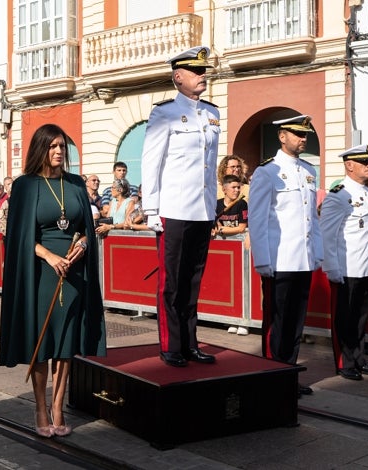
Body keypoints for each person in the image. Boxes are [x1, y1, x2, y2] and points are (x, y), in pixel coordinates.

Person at [0, 123, 105, 438]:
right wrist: (48, 255)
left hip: (74, 271)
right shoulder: (25, 185)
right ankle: (41, 407)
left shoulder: (74, 183)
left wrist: (84, 245)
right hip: (42, 272)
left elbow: (86, 227)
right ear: (41, 149)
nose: (59, 152)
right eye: (53, 146)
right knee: (43, 342)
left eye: (62, 146)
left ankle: (58, 406)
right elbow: (18, 237)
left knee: (65, 343)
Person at [140, 46, 220, 368]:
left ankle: (190, 344)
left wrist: (212, 209)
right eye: (196, 71)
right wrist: (151, 209)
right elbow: (151, 162)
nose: (203, 76)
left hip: (201, 210)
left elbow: (208, 166)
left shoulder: (213, 113)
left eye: (204, 71)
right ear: (178, 76)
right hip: (172, 210)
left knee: (192, 281)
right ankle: (171, 346)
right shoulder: (165, 113)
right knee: (171, 283)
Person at [248, 115, 323, 396]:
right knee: (276, 321)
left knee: (295, 322)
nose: (303, 139)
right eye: (297, 134)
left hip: (302, 259)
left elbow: (311, 219)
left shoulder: (308, 170)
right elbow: (257, 218)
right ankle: (271, 374)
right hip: (279, 259)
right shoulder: (267, 171)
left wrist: (317, 253)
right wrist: (263, 259)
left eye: (306, 135)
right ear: (282, 136)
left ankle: (288, 372)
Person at [320, 144, 368, 381]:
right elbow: (327, 235)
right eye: (364, 163)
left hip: (365, 266)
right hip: (346, 268)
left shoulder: (367, 192)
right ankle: (344, 362)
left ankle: (359, 359)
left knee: (360, 317)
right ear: (349, 165)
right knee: (344, 318)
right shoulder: (338, 195)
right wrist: (332, 268)